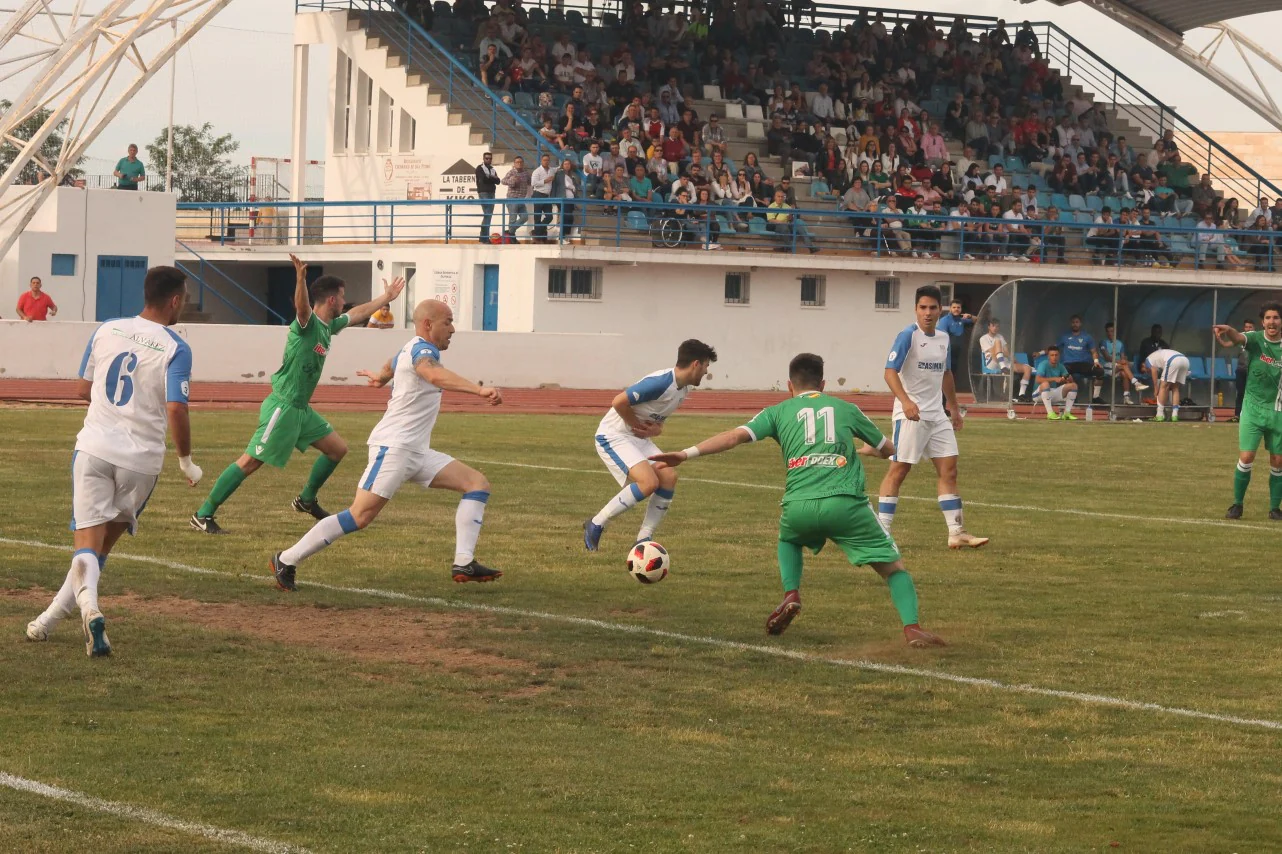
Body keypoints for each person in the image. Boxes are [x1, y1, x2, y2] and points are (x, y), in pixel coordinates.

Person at [648, 353, 946, 648]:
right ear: (824, 383)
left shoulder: (777, 412)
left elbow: (733, 436)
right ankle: (912, 628)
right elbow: (885, 449)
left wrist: (685, 454)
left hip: (799, 506)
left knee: (788, 539)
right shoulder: (847, 408)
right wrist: (870, 449)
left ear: (790, 385)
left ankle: (791, 593)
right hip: (845, 504)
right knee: (894, 569)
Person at [25, 266, 203, 654]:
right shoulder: (176, 347)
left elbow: (81, 389)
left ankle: (83, 610)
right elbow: (176, 408)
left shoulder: (107, 329)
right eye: (184, 299)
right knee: (101, 547)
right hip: (141, 461)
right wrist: (186, 460)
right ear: (174, 300)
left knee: (85, 544)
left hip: (94, 449)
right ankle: (51, 620)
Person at [270, 299, 503, 589]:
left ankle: (464, 563)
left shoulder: (410, 348)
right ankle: (286, 559)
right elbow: (431, 373)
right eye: (448, 322)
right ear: (428, 325)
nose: (453, 329)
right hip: (393, 448)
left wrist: (380, 377)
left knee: (477, 484)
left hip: (415, 451)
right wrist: (479, 390)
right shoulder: (423, 350)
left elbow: (390, 366)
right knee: (359, 515)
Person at [190, 255, 405, 534]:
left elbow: (359, 313)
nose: (344, 301)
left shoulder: (330, 326)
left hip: (301, 409)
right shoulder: (306, 325)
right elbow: (302, 309)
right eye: (342, 297)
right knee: (251, 461)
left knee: (337, 450)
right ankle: (203, 513)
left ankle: (306, 500)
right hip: (283, 405)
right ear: (331, 300)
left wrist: (384, 297)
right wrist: (301, 280)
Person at [876, 285, 988, 550]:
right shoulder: (907, 335)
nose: (927, 313)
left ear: (941, 310)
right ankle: (881, 533)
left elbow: (946, 374)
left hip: (937, 415)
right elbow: (890, 372)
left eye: (933, 308)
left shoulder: (943, 337)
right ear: (916, 309)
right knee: (899, 470)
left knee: (949, 469)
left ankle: (956, 532)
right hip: (911, 416)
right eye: (923, 307)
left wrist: (953, 407)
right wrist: (905, 402)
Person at [583, 339, 718, 551]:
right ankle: (596, 523)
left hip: (638, 439)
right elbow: (619, 401)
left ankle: (643, 538)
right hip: (613, 436)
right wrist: (634, 424)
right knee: (648, 483)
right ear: (695, 364)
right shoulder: (660, 383)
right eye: (706, 365)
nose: (707, 371)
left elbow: (656, 421)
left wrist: (657, 430)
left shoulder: (683, 390)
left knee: (668, 476)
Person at [1217, 310, 1282, 520]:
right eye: (1268, 318)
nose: (1272, 322)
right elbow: (1238, 338)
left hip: (1277, 411)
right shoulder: (1254, 339)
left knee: (1278, 461)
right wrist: (1229, 331)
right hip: (1252, 409)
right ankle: (1237, 505)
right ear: (1262, 322)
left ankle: (1274, 509)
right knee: (1246, 456)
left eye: (1276, 317)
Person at [978, 317, 1032, 402]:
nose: (995, 328)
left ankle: (1021, 395)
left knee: (1027, 368)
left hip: (1004, 361)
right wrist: (999, 348)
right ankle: (1003, 367)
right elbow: (992, 352)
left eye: (997, 326)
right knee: (998, 341)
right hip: (992, 362)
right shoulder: (983, 338)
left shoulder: (1000, 336)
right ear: (989, 327)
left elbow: (1007, 352)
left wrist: (1010, 356)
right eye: (993, 326)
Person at [1056, 314, 1105, 403]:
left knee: (1100, 371)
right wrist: (1040, 353)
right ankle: (1070, 398)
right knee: (1064, 374)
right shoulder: (1065, 336)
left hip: (1083, 364)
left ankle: (1096, 397)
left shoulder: (1087, 337)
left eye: (1077, 322)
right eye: (1073, 322)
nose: (1075, 324)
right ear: (1071, 324)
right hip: (1069, 364)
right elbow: (1054, 348)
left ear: (1080, 324)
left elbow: (1093, 351)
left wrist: (1096, 361)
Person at [1098, 322, 1149, 404]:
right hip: (1106, 367)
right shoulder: (1103, 343)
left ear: (1115, 332)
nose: (1110, 333)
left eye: (1112, 331)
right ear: (1106, 332)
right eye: (1108, 331)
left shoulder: (1120, 343)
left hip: (1118, 367)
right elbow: (1107, 357)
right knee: (1123, 365)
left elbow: (1122, 356)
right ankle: (1136, 383)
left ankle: (1126, 396)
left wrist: (1124, 360)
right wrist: (1121, 361)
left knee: (1124, 373)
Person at [1144, 346, 1190, 422]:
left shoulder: (1147, 361)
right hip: (1185, 360)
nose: (1146, 372)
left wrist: (1155, 388)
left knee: (1163, 386)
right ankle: (1175, 415)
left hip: (1173, 360)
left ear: (1143, 365)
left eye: (1145, 370)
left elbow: (1153, 370)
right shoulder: (1158, 356)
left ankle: (1159, 415)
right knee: (1175, 388)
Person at [1036, 345, 1078, 420]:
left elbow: (1068, 380)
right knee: (1046, 384)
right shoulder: (1043, 364)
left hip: (1052, 393)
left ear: (1059, 356)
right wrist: (1054, 379)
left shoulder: (1061, 366)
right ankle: (1050, 413)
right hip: (1038, 394)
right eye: (1052, 355)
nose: (1054, 357)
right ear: (1048, 356)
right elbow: (1038, 380)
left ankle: (1067, 413)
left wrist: (1069, 379)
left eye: (1056, 355)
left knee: (1073, 386)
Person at [936, 299, 974, 379]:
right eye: (954, 307)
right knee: (945, 373)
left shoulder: (961, 320)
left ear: (961, 309)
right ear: (950, 308)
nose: (956, 309)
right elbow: (940, 337)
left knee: (953, 373)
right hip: (946, 352)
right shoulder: (945, 320)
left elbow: (977, 320)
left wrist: (970, 316)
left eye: (958, 307)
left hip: (957, 353)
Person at [499, 155, 531, 240]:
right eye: (517, 162)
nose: (519, 164)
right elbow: (503, 181)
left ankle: (510, 231)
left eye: (521, 162)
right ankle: (512, 239)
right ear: (514, 164)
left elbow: (530, 182)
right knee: (512, 219)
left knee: (525, 217)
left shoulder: (526, 173)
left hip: (521, 199)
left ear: (523, 163)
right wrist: (512, 181)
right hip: (512, 199)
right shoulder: (511, 172)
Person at [1232, 319, 1256, 421]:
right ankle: (1237, 415)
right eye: (1246, 327)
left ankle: (1253, 415)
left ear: (1254, 328)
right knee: (1240, 392)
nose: (1248, 329)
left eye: (1250, 327)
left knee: (1253, 393)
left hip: (1252, 370)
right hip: (1241, 369)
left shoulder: (1257, 338)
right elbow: (1231, 341)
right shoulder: (1241, 338)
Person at [475, 151, 500, 241]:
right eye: (487, 158)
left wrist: (490, 177)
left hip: (492, 193)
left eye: (490, 158)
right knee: (488, 214)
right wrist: (492, 178)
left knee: (488, 215)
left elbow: (498, 181)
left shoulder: (492, 169)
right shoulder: (479, 168)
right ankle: (484, 237)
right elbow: (483, 180)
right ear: (483, 159)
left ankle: (483, 237)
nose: (488, 160)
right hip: (483, 193)